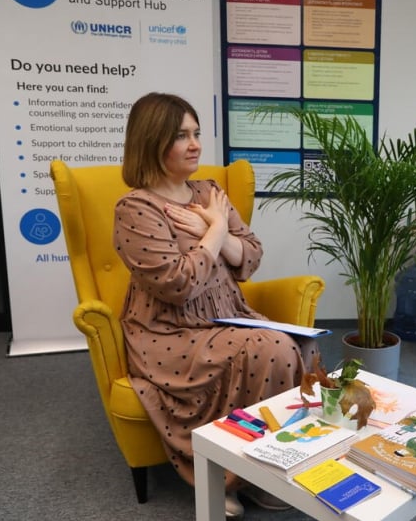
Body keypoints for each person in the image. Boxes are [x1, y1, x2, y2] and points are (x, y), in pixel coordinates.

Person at [114, 92, 319, 517]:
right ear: (152, 141)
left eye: (196, 133)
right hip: (172, 331)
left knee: (303, 348)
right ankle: (225, 475)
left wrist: (219, 228)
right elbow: (176, 284)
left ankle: (270, 466)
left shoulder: (208, 190)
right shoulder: (135, 208)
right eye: (181, 136)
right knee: (273, 350)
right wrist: (217, 228)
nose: (195, 144)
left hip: (229, 315)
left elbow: (252, 255)